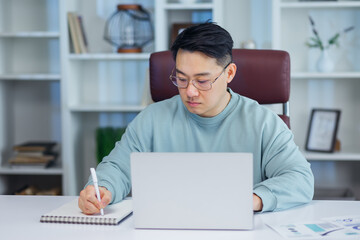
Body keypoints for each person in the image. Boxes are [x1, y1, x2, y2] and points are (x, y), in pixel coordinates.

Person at [78, 22, 314, 214]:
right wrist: (102, 189)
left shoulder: (264, 123)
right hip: (166, 229)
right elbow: (118, 168)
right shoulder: (151, 119)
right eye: (181, 79)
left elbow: (299, 179)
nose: (190, 91)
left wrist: (251, 200)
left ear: (229, 73)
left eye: (202, 81)